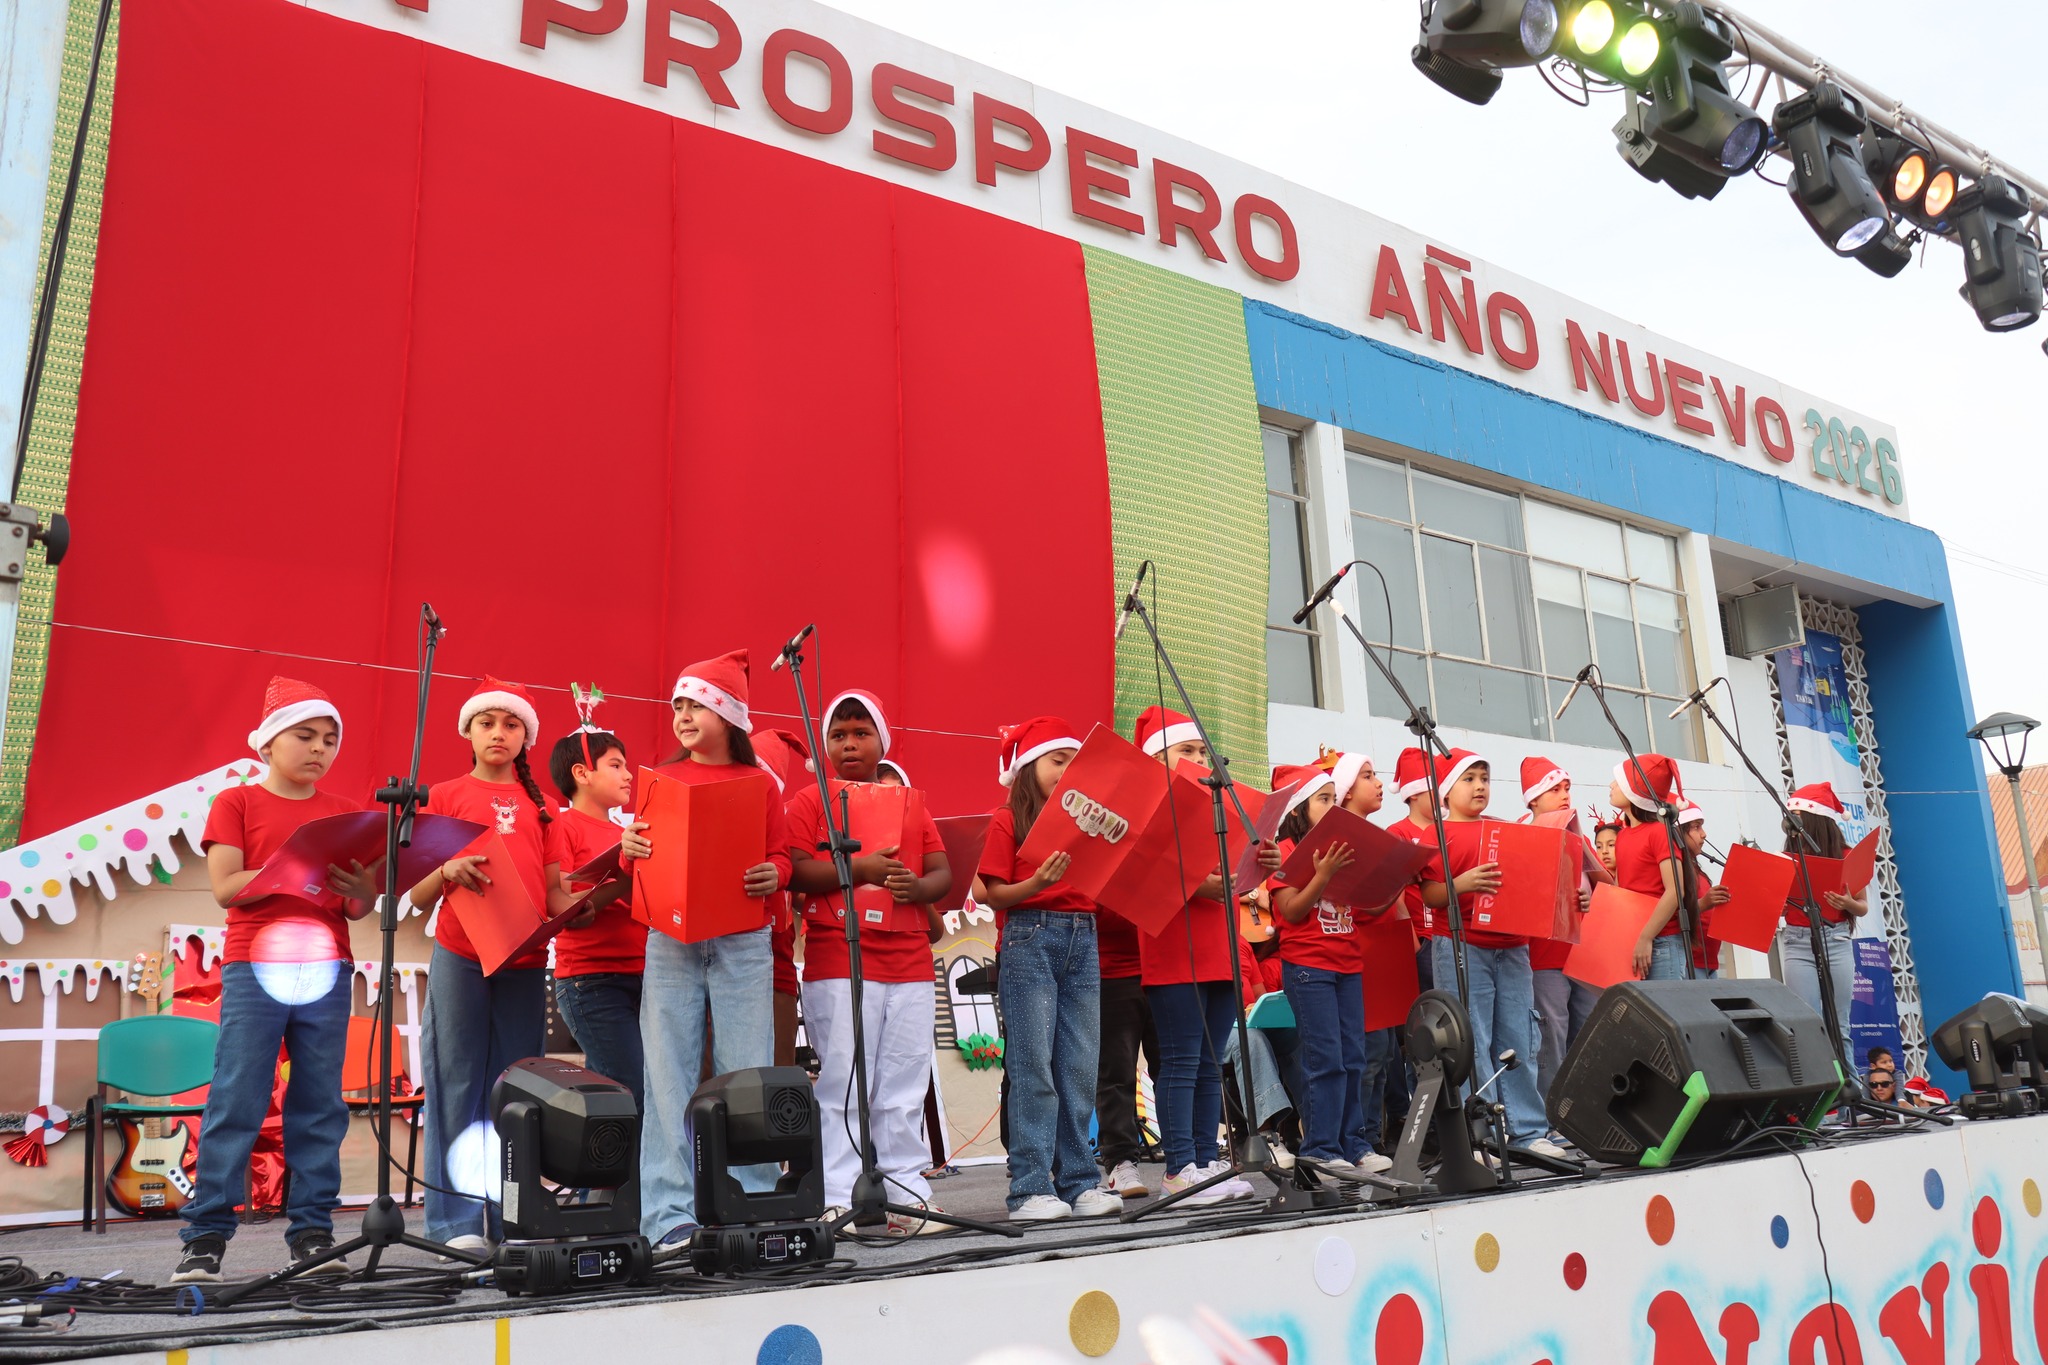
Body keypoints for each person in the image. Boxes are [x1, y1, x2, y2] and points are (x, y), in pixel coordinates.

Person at [172, 679, 376, 1284]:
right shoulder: (236, 802)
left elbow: (357, 907)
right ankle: (205, 1236)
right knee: (239, 1094)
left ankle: (312, 1232)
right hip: (256, 963)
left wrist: (364, 889)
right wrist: (291, 866)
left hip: (326, 965)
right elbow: (226, 887)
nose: (319, 748)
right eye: (305, 735)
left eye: (330, 740)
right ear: (267, 743)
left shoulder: (344, 811)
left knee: (319, 1102)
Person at [625, 651, 790, 1247]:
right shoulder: (659, 781)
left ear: (730, 715)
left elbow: (780, 855)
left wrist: (775, 872)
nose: (684, 716)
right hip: (670, 941)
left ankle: (752, 1201)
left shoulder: (759, 784)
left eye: (697, 705)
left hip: (743, 939)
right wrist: (630, 848)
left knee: (745, 1073)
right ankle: (668, 1215)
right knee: (666, 1074)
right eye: (678, 706)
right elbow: (636, 860)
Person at [786, 689, 954, 1232]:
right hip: (839, 957)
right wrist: (858, 871)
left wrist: (917, 887)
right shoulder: (810, 801)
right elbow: (794, 869)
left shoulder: (909, 803)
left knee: (904, 1081)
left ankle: (907, 1191)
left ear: (883, 742)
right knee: (843, 1080)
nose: (850, 744)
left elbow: (942, 872)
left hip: (909, 961)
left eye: (861, 733)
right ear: (825, 746)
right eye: (838, 735)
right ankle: (838, 1194)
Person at [976, 715, 1122, 1223]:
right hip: (1029, 935)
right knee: (1033, 1068)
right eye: (1058, 760)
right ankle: (1030, 1187)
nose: (1067, 770)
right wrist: (1038, 882)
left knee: (1078, 1068)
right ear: (1028, 766)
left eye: (1075, 763)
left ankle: (1080, 1182)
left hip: (1084, 937)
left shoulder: (1087, 820)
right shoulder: (1007, 819)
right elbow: (991, 893)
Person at [1133, 705, 1260, 1205]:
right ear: (1155, 759)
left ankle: (1207, 1163)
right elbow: (1139, 877)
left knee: (1211, 1063)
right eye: (1186, 750)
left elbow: (1234, 879)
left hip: (1218, 947)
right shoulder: (1145, 808)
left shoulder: (1215, 810)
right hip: (1172, 949)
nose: (1201, 760)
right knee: (1182, 1061)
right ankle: (1178, 1168)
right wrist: (1197, 884)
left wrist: (1262, 861)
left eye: (1203, 751)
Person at [1417, 751, 1563, 1158]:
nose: (1480, 786)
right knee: (1471, 1041)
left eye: (1484, 778)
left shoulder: (1505, 830)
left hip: (1513, 948)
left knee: (1520, 1037)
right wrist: (1461, 883)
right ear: (1447, 791)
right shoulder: (1436, 835)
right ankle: (1481, 1133)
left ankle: (1527, 1130)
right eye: (1469, 779)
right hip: (1462, 947)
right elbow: (1430, 895)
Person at [1268, 761, 1383, 1177]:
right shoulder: (1285, 851)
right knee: (1325, 1059)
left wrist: (1393, 875)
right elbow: (1291, 910)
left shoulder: (1342, 849)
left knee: (1354, 1057)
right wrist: (1322, 875)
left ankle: (1354, 1143)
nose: (1333, 807)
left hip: (1348, 965)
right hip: (1308, 968)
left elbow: (1368, 907)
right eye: (1323, 799)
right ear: (1298, 808)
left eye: (1335, 799)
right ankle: (1320, 1145)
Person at [542, 718, 643, 1111]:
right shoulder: (563, 825)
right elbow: (566, 899)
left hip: (645, 975)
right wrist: (624, 875)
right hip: (592, 981)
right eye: (615, 765)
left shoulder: (627, 834)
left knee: (640, 1088)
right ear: (582, 774)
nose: (628, 775)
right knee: (630, 1088)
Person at [1318, 750, 1399, 1169]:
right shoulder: (1338, 842)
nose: (1379, 783)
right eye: (1368, 776)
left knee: (1380, 1054)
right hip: (1348, 953)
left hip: (1378, 955)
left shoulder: (1374, 837)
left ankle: (1367, 1139)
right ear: (1347, 790)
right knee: (1360, 1054)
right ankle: (1352, 1140)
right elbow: (1354, 903)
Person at [1518, 756, 1600, 1107]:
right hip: (1542, 957)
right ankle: (1550, 1112)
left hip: (1584, 956)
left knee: (1590, 1034)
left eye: (1567, 788)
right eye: (1555, 789)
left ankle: (1584, 1111)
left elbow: (1607, 887)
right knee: (1551, 1036)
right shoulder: (1521, 834)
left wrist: (1590, 896)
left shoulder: (1578, 836)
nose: (1565, 795)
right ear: (1533, 799)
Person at [1776, 782, 1866, 1068]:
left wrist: (1846, 903)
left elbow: (1862, 906)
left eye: (1797, 816)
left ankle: (1850, 1088)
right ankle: (1821, 1091)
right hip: (1796, 941)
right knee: (1807, 1023)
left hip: (1836, 940)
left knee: (1839, 1024)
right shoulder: (1785, 858)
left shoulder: (1846, 855)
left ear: (1814, 820)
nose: (1791, 822)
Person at [752, 727, 812, 1069]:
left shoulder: (788, 828)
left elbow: (801, 897)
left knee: (778, 1072)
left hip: (778, 966)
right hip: (726, 964)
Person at [1093, 901, 1159, 1199]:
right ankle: (1120, 1162)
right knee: (1116, 1071)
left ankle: (1187, 1158)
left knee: (1175, 1070)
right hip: (1114, 972)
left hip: (1167, 969)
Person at [1609, 755, 1695, 982]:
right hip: (1633, 939)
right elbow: (1620, 890)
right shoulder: (1623, 836)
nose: (1611, 785)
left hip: (1660, 942)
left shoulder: (1659, 831)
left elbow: (1675, 891)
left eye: (1618, 781)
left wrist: (1646, 937)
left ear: (1634, 790)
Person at [1677, 803, 1730, 978]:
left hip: (1708, 963)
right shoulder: (1677, 869)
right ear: (1678, 832)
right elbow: (1673, 913)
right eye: (1696, 827)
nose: (1704, 834)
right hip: (1689, 964)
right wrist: (1704, 903)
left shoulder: (1695, 869)